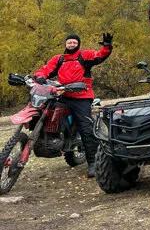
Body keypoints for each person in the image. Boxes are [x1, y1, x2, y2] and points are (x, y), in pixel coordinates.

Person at [34, 32, 113, 177]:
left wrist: (107, 47)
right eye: (69, 42)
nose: (71, 44)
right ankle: (54, 141)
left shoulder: (84, 55)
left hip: (82, 97)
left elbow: (99, 55)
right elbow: (46, 69)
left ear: (78, 44)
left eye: (74, 42)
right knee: (48, 114)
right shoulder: (59, 59)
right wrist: (40, 76)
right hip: (63, 95)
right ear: (65, 44)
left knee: (86, 128)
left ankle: (93, 163)